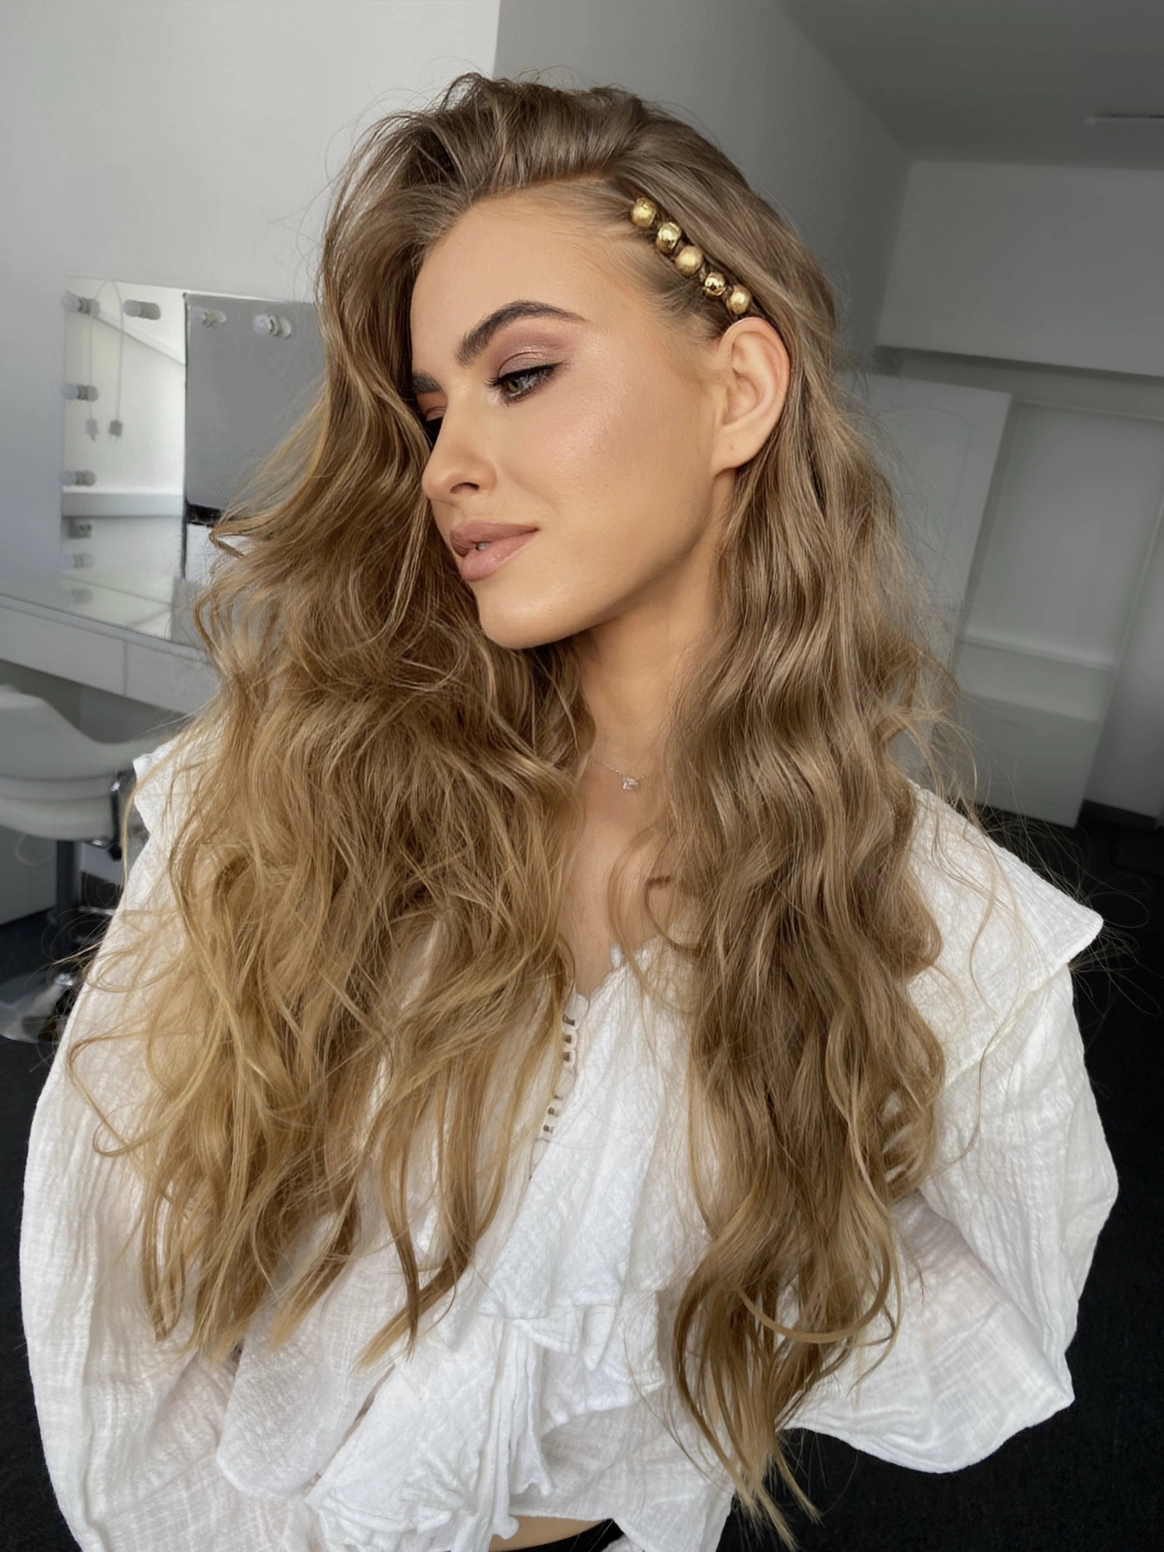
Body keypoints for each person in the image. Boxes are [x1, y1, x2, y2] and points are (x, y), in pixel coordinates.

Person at [20, 71, 1118, 1552]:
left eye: (522, 373)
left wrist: (672, 1389)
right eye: (430, 411)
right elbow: (106, 1256)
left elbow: (998, 1308)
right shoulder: (287, 782)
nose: (447, 468)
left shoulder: (945, 925)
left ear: (738, 390)